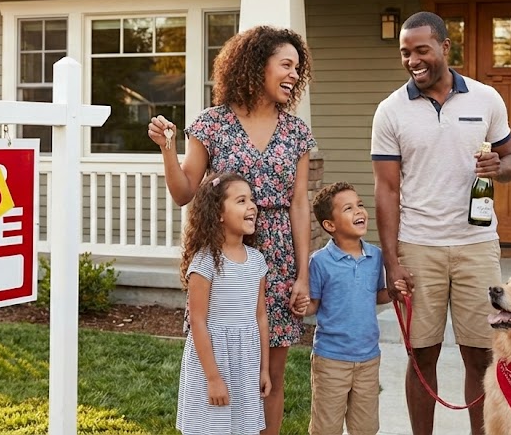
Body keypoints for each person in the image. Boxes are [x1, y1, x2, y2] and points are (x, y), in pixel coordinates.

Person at [148, 25, 316, 435]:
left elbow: (298, 203)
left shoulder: (296, 132)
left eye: (298, 67)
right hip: (225, 260)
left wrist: (302, 275)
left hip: (275, 257)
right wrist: (168, 150)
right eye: (286, 64)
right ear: (257, 65)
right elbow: (185, 191)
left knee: (269, 375)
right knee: (223, 363)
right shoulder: (212, 124)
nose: (294, 75)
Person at [371, 11, 511, 435]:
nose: (413, 60)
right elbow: (386, 190)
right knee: (422, 358)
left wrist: (501, 165)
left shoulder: (487, 99)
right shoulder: (391, 111)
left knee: (482, 357)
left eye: (421, 50)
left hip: (477, 246)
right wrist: (391, 259)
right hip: (418, 247)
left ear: (444, 48)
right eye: (405, 52)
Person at [299, 181, 409, 435]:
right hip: (331, 359)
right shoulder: (320, 262)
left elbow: (377, 295)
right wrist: (302, 307)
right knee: (326, 427)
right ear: (330, 225)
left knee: (366, 427)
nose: (359, 211)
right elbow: (314, 304)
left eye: (359, 204)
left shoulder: (375, 256)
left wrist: (394, 293)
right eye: (348, 208)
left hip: (368, 358)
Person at [175, 172, 270, 434]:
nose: (252, 206)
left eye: (252, 199)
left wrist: (264, 369)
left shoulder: (256, 261)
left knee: (241, 427)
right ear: (218, 213)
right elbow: (198, 321)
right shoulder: (205, 262)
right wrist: (213, 378)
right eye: (241, 201)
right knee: (211, 427)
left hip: (245, 363)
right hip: (214, 362)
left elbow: (260, 316)